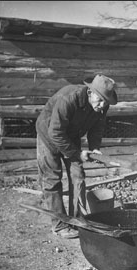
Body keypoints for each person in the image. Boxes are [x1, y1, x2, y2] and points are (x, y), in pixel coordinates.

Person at [36, 74, 118, 239]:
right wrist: (77, 153)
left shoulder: (102, 105)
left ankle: (76, 220)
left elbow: (97, 127)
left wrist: (95, 148)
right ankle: (59, 224)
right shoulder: (68, 99)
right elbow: (55, 132)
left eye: (106, 102)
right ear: (89, 92)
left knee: (78, 176)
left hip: (71, 136)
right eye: (100, 100)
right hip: (48, 135)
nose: (102, 105)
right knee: (52, 179)